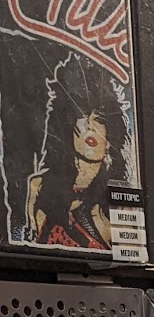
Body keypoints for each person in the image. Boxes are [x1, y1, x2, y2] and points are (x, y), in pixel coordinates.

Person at [26, 58, 128, 249]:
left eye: (99, 120)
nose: (90, 125)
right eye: (82, 115)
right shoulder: (39, 187)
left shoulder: (115, 199)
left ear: (111, 137)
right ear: (67, 125)